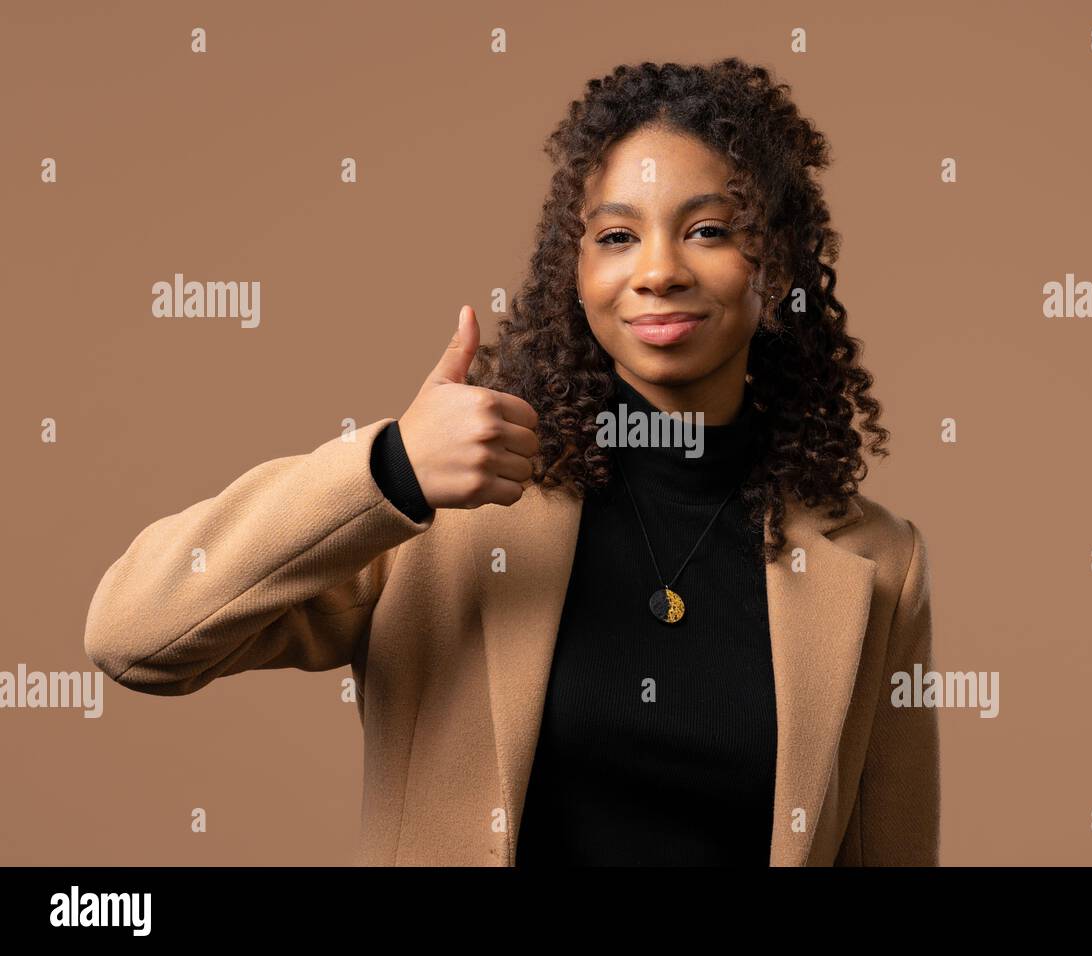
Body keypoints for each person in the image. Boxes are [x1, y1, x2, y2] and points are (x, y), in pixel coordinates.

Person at [83, 57, 938, 866]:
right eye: (615, 236)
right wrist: (389, 471)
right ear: (574, 272)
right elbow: (135, 638)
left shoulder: (874, 566)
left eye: (708, 230)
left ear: (777, 263)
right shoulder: (445, 511)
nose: (657, 271)